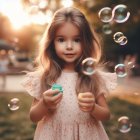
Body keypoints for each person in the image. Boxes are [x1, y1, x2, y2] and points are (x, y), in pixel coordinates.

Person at [21, 7, 117, 140]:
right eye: (61, 40)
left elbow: (106, 115)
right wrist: (44, 104)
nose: (69, 46)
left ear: (86, 42)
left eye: (77, 40)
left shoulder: (92, 77)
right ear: (51, 43)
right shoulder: (45, 77)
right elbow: (33, 117)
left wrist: (93, 107)